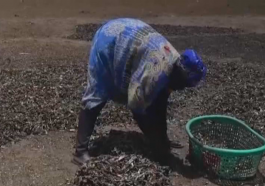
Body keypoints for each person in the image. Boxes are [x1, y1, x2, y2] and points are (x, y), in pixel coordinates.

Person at [73, 18, 206, 166]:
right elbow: (137, 109)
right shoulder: (155, 74)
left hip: (129, 33)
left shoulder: (174, 62)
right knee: (97, 94)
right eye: (184, 84)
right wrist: (156, 143)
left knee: (154, 103)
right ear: (180, 75)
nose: (182, 88)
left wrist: (163, 139)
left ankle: (159, 142)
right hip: (109, 41)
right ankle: (80, 152)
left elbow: (160, 105)